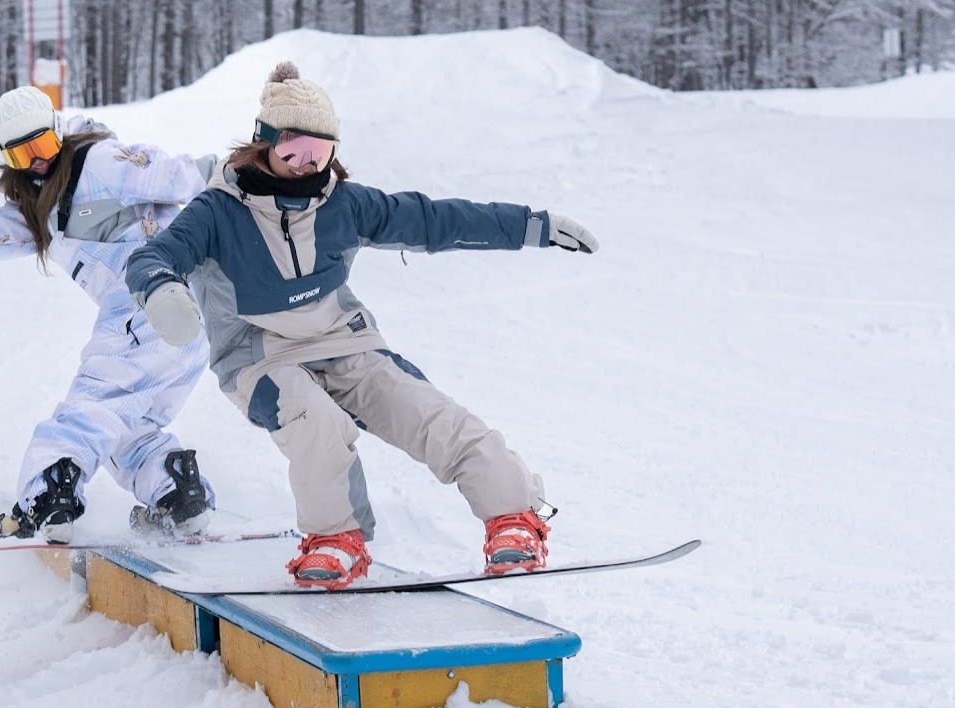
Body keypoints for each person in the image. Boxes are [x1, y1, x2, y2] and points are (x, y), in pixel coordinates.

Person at [123, 63, 600, 588]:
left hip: (342, 340)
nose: (306, 163)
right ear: (262, 143)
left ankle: (513, 517)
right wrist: (163, 290)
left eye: (320, 151)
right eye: (292, 148)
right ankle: (335, 539)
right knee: (315, 424)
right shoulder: (218, 210)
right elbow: (155, 256)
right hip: (258, 357)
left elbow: (435, 219)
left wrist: (531, 225)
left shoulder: (342, 203)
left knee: (431, 414)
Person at [0, 85, 219, 544]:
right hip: (185, 323)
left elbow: (188, 176)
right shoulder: (39, 206)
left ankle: (46, 493)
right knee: (128, 422)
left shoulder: (101, 163)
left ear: (58, 133)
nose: (38, 161)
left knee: (93, 403)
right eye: (23, 156)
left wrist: (254, 178)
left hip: (153, 295)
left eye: (42, 146)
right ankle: (179, 491)